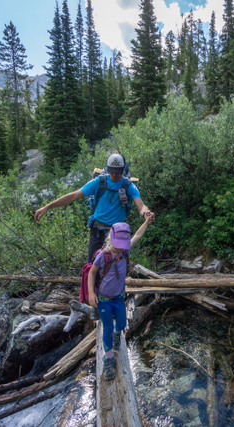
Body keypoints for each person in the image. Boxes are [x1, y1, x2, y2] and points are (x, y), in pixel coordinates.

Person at [34, 153, 154, 262]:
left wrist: (146, 213)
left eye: (117, 172)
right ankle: (92, 287)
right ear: (107, 169)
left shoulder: (128, 186)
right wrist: (48, 206)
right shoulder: (99, 182)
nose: (114, 175)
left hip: (116, 233)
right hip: (97, 230)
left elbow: (140, 205)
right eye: (112, 171)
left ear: (123, 169)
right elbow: (74, 195)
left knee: (117, 264)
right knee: (92, 266)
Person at [88, 218, 152, 381]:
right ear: (110, 238)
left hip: (118, 298)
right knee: (107, 328)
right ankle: (108, 358)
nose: (121, 246)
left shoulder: (125, 250)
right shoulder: (103, 256)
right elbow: (92, 273)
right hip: (103, 300)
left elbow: (137, 235)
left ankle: (118, 334)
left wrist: (146, 222)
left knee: (122, 324)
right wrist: (91, 293)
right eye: (118, 243)